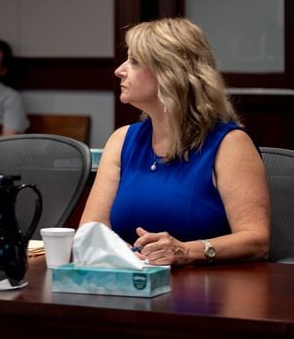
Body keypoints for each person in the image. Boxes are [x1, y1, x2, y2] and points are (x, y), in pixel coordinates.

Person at [79, 17, 270, 266]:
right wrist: (133, 255)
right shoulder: (122, 140)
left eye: (134, 61)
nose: (119, 70)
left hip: (208, 292)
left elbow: (256, 240)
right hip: (132, 283)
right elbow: (93, 229)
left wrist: (185, 251)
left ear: (170, 73)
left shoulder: (229, 144)